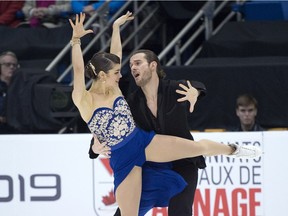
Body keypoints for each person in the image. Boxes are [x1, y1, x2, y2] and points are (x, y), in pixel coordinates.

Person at [69, 12, 262, 216]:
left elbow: (115, 53)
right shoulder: (84, 99)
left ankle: (234, 150)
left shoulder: (115, 88)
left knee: (197, 148)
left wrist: (116, 28)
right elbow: (79, 70)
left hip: (142, 140)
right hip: (122, 156)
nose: (121, 74)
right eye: (116, 72)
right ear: (101, 75)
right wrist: (75, 41)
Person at [90, 48, 207, 216]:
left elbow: (197, 85)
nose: (133, 68)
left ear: (153, 65)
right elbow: (109, 127)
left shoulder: (173, 90)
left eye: (138, 63)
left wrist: (195, 92)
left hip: (183, 162)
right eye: (130, 65)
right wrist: (94, 148)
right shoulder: (131, 103)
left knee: (180, 210)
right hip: (153, 165)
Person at [0, 51, 20, 134]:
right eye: (7, 64)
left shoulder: (23, 87)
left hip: (18, 132)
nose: (12, 67)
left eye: (14, 65)